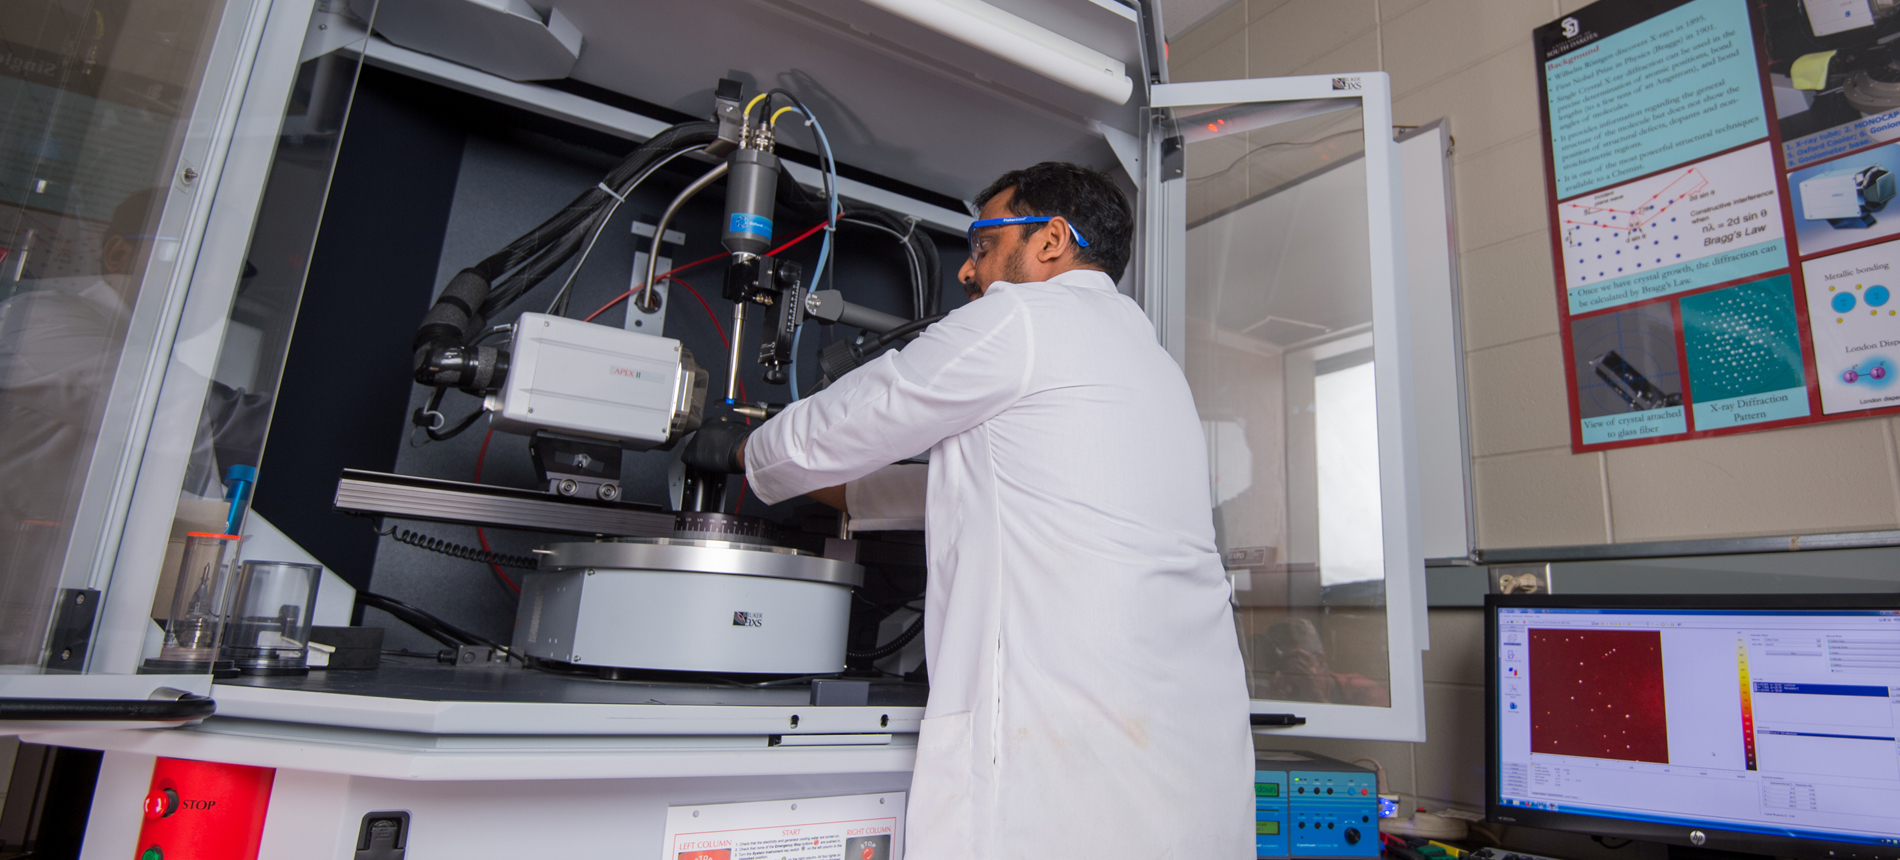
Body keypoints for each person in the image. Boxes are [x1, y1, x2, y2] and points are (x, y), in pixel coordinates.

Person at [686, 162, 1252, 858]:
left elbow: (855, 417)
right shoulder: (1153, 367)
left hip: (1065, 775)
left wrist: (742, 450)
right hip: (1186, 772)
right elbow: (1000, 494)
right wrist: (836, 490)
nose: (966, 271)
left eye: (981, 243)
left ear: (1050, 240)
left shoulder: (1023, 317)